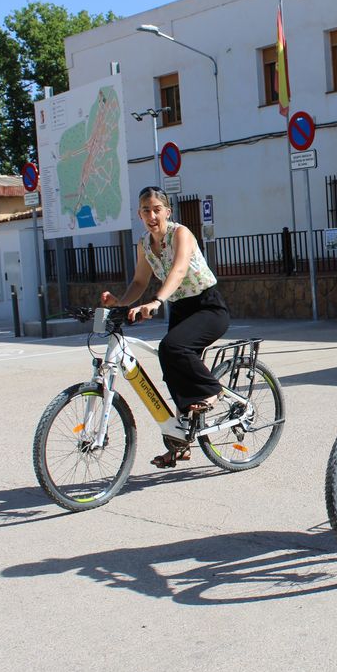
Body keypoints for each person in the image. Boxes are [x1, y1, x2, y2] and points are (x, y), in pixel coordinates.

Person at [101, 186, 231, 467]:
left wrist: (157, 301)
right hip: (181, 308)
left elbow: (179, 270)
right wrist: (119, 303)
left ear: (167, 212)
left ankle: (211, 389)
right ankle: (180, 445)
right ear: (139, 215)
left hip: (208, 306)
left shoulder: (180, 233)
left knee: (173, 347)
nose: (152, 216)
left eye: (157, 210)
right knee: (172, 370)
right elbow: (139, 281)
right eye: (146, 211)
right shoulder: (144, 244)